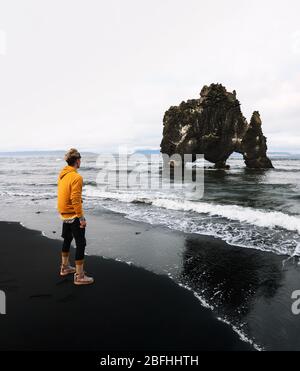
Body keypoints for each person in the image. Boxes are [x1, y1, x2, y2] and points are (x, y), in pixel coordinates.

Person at [57, 148, 94, 285]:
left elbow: (64, 194)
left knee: (67, 239)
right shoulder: (77, 177)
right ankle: (79, 276)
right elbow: (75, 199)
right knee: (81, 243)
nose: (80, 162)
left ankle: (65, 267)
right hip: (73, 214)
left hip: (64, 213)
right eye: (80, 159)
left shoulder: (62, 175)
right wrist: (81, 218)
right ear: (77, 161)